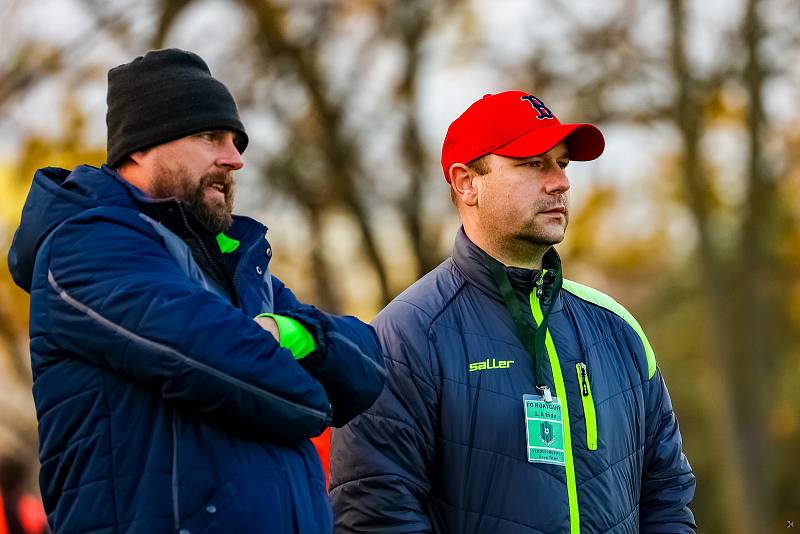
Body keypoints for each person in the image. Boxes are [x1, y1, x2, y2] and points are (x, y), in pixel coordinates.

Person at [7, 48, 386, 534]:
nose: (234, 159)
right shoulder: (86, 244)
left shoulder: (233, 259)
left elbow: (367, 367)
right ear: (140, 148)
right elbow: (238, 371)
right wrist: (306, 382)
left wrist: (288, 332)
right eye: (210, 136)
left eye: (236, 141)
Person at [329, 91, 696, 533]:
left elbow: (668, 494)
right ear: (466, 182)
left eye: (562, 164)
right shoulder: (403, 338)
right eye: (532, 163)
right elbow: (377, 518)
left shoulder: (617, 329)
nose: (560, 182)